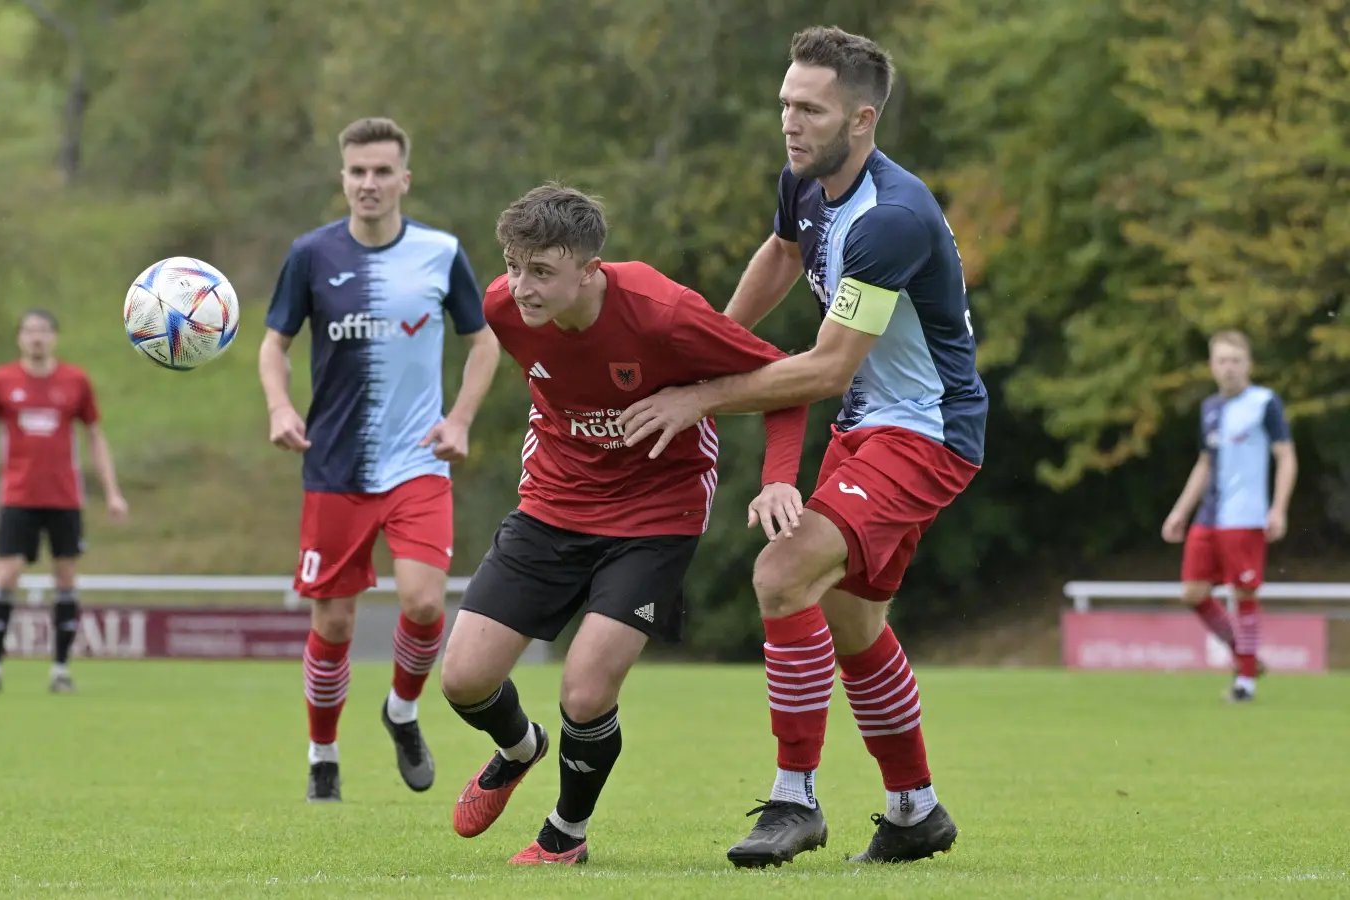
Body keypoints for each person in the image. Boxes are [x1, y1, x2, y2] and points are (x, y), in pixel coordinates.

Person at [617, 25, 988, 867]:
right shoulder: (805, 180)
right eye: (786, 103)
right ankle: (915, 810)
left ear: (862, 119)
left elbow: (823, 369)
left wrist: (699, 395)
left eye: (810, 109)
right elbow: (783, 253)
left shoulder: (891, 220)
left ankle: (795, 799)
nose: (790, 121)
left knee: (781, 574)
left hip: (927, 430)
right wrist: (710, 343)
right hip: (867, 425)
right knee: (851, 621)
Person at [440, 183, 810, 866]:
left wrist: (778, 476)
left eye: (540, 271)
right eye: (513, 265)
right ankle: (520, 748)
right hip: (552, 503)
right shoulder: (503, 307)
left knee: (584, 691)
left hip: (655, 512)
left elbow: (785, 379)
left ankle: (565, 833)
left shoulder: (664, 314)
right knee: (462, 678)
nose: (520, 287)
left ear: (590, 270)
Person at [259, 117, 501, 803]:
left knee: (424, 603)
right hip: (334, 466)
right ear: (343, 178)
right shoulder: (310, 255)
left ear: (404, 179)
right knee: (333, 623)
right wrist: (279, 408)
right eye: (358, 171)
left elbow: (483, 342)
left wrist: (459, 420)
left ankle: (401, 709)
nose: (369, 183)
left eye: (382, 171)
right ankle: (323, 755)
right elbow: (274, 345)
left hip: (418, 462)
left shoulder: (440, 252)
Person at [0, 308, 128, 695]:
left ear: (54, 337)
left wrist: (112, 492)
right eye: (29, 331)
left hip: (64, 496)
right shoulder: (1, 381)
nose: (36, 338)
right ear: (20, 338)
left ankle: (60, 669)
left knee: (65, 577)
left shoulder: (75, 381)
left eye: (43, 331)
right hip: (17, 494)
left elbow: (95, 436)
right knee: (7, 575)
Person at [1161, 330, 1295, 703]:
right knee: (1193, 593)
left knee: (1243, 593)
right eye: (1222, 360)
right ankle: (1245, 655)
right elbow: (1205, 462)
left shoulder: (1264, 403)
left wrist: (1279, 507)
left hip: (1245, 516)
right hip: (1209, 515)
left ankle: (1245, 681)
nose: (1229, 368)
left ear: (1248, 364)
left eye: (1236, 360)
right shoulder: (1210, 408)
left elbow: (1286, 456)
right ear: (1212, 365)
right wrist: (1180, 511)